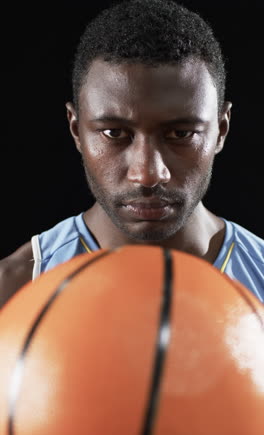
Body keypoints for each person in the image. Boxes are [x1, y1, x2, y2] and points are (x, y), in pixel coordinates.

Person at [1, 0, 263, 308]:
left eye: (181, 134)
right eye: (114, 133)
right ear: (76, 130)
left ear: (221, 129)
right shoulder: (14, 291)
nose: (148, 174)